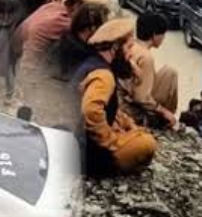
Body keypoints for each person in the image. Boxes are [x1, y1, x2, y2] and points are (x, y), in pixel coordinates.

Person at [73, 18, 157, 177]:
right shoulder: (104, 76)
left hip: (77, 142)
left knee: (137, 132)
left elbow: (109, 108)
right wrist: (110, 141)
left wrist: (127, 123)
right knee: (147, 144)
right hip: (85, 154)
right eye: (129, 47)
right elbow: (90, 111)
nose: (131, 53)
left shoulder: (95, 64)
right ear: (115, 48)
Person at [121, 12, 178, 129]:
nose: (163, 38)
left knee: (168, 72)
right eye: (162, 34)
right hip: (132, 108)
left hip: (124, 100)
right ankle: (164, 121)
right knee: (172, 74)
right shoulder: (146, 57)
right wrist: (163, 111)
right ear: (154, 35)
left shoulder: (131, 46)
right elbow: (141, 97)